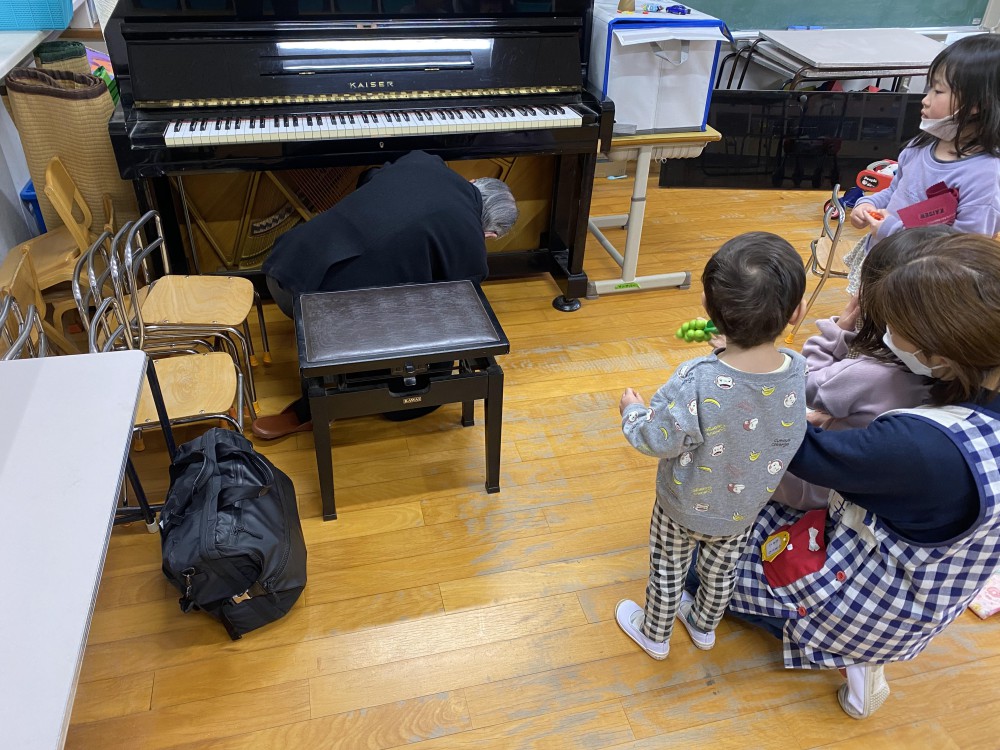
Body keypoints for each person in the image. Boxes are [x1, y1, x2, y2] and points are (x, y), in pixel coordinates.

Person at [720, 232, 1000, 720]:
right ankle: (863, 655)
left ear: (942, 351)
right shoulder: (962, 391)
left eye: (896, 325)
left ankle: (845, 644)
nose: (886, 333)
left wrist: (740, 365)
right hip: (937, 588)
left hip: (867, 590)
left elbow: (789, 444)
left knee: (713, 573)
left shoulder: (920, 450)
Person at [615, 231, 808, 659]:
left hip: (682, 504)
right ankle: (703, 627)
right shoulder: (797, 369)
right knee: (722, 572)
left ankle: (655, 633)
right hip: (743, 507)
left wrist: (633, 412)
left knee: (668, 570)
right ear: (796, 314)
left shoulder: (697, 378)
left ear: (708, 309)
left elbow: (657, 438)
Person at [253, 150, 518, 439]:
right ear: (489, 235)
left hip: (285, 265)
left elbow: (369, 177)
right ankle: (338, 403)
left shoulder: (424, 161)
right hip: (310, 306)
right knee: (419, 319)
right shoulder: (470, 240)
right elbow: (457, 309)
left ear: (474, 180)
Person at [773, 226, 958, 511]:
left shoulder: (870, 374)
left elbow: (805, 383)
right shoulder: (956, 369)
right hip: (875, 480)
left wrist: (837, 331)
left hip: (819, 487)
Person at [843, 33, 1000, 294]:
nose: (925, 99)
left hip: (920, 287)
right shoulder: (921, 146)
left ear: (977, 105)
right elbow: (897, 190)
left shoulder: (985, 176)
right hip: (883, 259)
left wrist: (894, 229)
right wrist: (869, 204)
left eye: (938, 91)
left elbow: (965, 250)